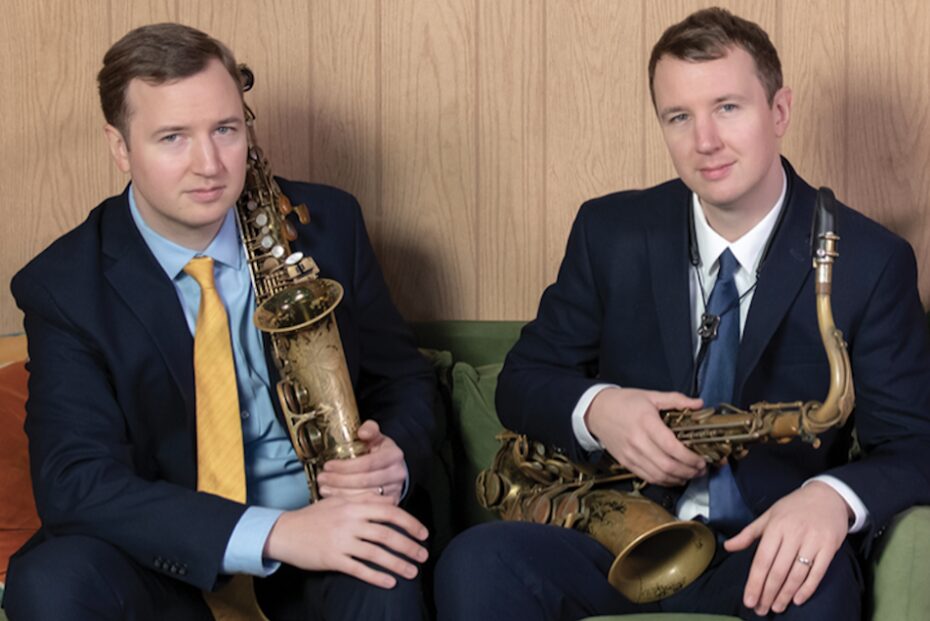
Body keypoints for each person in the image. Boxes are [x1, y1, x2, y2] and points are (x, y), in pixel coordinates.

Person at [435, 7, 930, 621]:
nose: (705, 141)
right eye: (679, 117)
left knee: (820, 588)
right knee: (477, 562)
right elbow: (523, 380)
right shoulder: (609, 231)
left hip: (765, 546)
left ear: (779, 112)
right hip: (619, 537)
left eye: (728, 107)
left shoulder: (870, 260)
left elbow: (915, 444)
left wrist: (831, 497)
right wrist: (600, 409)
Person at [3, 23, 436, 621]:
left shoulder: (329, 224)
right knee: (52, 583)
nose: (209, 165)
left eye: (225, 130)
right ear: (120, 146)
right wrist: (273, 533)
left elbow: (405, 381)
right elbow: (75, 480)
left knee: (389, 566)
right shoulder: (63, 285)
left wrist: (397, 455)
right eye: (173, 137)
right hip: (165, 563)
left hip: (327, 543)